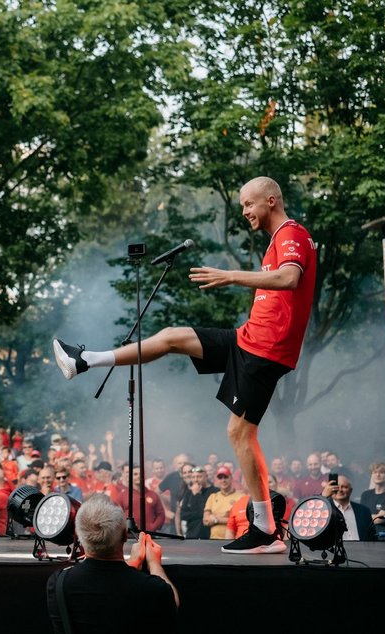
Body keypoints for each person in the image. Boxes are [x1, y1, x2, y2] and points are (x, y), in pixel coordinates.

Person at [54, 176, 316, 554]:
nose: (244, 211)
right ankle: (86, 360)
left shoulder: (292, 233)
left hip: (265, 351)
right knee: (171, 336)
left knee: (240, 435)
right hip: (247, 339)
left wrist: (229, 276)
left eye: (248, 204)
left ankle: (265, 529)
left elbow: (290, 278)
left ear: (271, 200)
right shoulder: (278, 239)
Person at [45, 494, 178, 631]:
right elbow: (172, 603)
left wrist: (131, 564)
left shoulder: (58, 583)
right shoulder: (152, 588)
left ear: (77, 534)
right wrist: (154, 564)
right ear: (125, 535)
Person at [322, 474, 375, 541]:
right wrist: (323, 496)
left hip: (361, 550)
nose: (340, 490)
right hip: (334, 550)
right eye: (336, 487)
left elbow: (372, 537)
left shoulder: (364, 511)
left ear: (351, 490)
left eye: (344, 487)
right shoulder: (324, 510)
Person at [203, 465, 244, 539]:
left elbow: (240, 520)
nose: (223, 480)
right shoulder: (213, 497)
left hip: (233, 540)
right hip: (214, 540)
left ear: (231, 478)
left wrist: (216, 519)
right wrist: (227, 515)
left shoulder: (241, 497)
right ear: (217, 480)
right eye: (220, 478)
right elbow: (205, 521)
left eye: (226, 477)